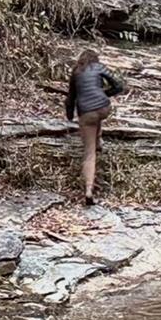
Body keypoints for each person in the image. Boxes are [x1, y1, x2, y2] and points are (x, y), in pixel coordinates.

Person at [64, 49, 127, 205]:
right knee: (97, 118)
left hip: (86, 113)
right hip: (104, 108)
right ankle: (98, 140)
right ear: (95, 59)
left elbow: (70, 98)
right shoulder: (99, 67)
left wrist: (70, 116)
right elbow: (118, 85)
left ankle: (88, 190)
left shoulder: (76, 72)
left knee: (89, 153)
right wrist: (104, 94)